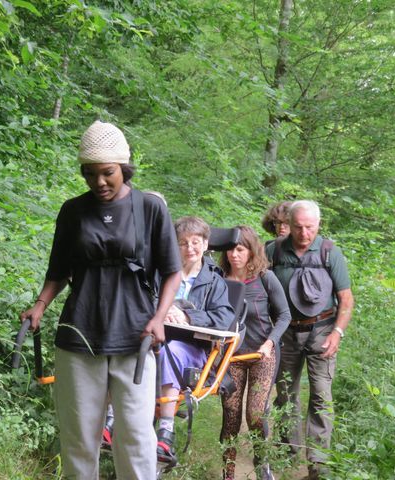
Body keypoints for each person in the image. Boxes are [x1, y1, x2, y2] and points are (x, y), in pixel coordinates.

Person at [19, 120, 182, 480]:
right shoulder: (73, 211)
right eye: (90, 174)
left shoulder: (150, 209)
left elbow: (173, 271)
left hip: (136, 335)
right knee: (79, 437)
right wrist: (40, 305)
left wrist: (159, 318)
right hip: (80, 334)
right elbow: (58, 270)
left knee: (137, 436)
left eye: (107, 173)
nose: (99, 182)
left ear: (123, 168)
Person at [266, 200, 354, 480]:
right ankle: (286, 453)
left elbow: (346, 299)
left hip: (322, 332)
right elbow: (254, 286)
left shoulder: (330, 252)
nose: (304, 233)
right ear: (288, 225)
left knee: (321, 396)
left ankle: (317, 464)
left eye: (310, 227)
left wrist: (337, 333)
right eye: (298, 227)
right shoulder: (274, 251)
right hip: (286, 332)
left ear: (319, 225)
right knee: (285, 393)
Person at [156, 216, 235, 463]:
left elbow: (224, 318)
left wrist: (187, 316)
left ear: (206, 244)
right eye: (182, 243)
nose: (189, 248)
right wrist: (162, 310)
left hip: (193, 347)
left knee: (173, 350)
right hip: (155, 338)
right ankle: (112, 421)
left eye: (195, 242)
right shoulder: (163, 272)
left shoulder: (214, 280)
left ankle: (165, 432)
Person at [218, 226, 291, 480]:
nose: (233, 254)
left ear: (251, 250)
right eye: (230, 249)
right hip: (232, 357)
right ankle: (227, 472)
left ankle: (262, 466)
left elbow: (284, 315)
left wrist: (269, 343)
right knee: (230, 415)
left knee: (256, 414)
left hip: (263, 354)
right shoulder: (219, 280)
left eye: (240, 249)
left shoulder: (265, 278)